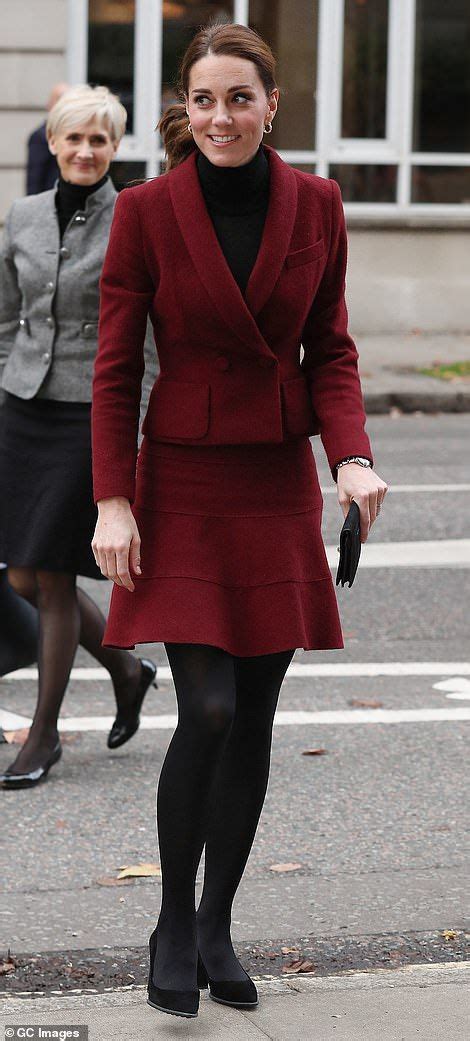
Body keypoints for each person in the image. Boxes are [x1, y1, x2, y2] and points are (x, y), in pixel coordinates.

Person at [91, 22, 388, 1020]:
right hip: (178, 480)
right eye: (205, 99)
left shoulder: (316, 203)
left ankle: (218, 921)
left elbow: (330, 351)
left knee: (253, 720)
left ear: (269, 106)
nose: (220, 116)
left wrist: (349, 459)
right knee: (207, 709)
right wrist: (112, 497)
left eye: (240, 99)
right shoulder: (144, 212)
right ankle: (171, 918)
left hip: (271, 482)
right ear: (188, 106)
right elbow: (116, 368)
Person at [0, 85, 158, 790]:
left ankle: (44, 735)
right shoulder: (23, 214)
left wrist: (140, 415)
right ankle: (127, 666)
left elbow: (151, 332)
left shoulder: (136, 217)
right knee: (21, 575)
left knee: (53, 574)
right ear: (54, 143)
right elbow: (6, 315)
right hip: (21, 405)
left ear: (115, 147)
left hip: (90, 410)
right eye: (74, 139)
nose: (86, 151)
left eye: (99, 140)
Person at [26, 82, 70, 195]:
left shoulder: (70, 132)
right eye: (60, 100)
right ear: (49, 104)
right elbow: (34, 179)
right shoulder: (40, 136)